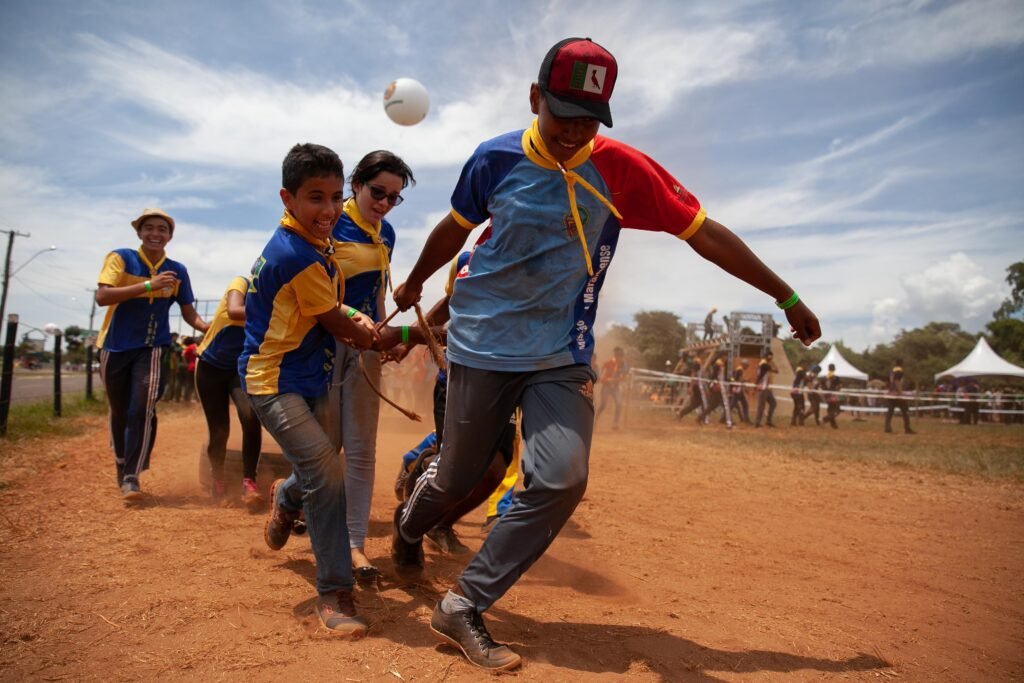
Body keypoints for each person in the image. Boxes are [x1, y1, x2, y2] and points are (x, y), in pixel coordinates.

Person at [387, 37, 821, 671]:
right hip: (480, 345)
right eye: (563, 113)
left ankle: (464, 604)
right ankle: (407, 526)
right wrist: (417, 281)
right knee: (457, 478)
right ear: (535, 98)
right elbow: (454, 227)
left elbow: (704, 234)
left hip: (560, 353)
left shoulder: (620, 169)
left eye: (589, 119)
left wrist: (786, 295)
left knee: (562, 477)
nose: (574, 131)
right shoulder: (495, 159)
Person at [241, 143, 378, 637]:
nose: (328, 210)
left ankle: (284, 497)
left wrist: (362, 322)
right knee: (327, 471)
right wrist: (393, 336)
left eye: (336, 197)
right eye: (315, 197)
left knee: (322, 460)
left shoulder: (313, 247)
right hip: (273, 384)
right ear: (288, 198)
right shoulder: (296, 254)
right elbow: (344, 325)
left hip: (305, 378)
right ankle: (335, 591)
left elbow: (337, 312)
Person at [329, 150, 416, 583]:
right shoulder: (329, 223)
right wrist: (349, 316)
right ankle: (286, 498)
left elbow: (379, 294)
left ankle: (354, 545)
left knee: (361, 450)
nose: (383, 203)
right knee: (326, 450)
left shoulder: (388, 234)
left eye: (393, 197)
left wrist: (386, 335)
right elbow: (313, 289)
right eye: (377, 192)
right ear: (356, 185)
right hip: (322, 345)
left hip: (365, 347)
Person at [95, 208, 209, 501]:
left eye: (162, 229)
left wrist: (210, 327)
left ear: (170, 236)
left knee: (142, 407)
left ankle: (132, 475)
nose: (155, 234)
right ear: (139, 233)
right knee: (119, 410)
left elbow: (189, 313)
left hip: (153, 347)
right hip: (115, 345)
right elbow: (103, 296)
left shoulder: (178, 271)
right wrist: (148, 285)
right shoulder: (121, 258)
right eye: (149, 228)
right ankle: (122, 465)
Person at [195, 276, 263, 507]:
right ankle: (218, 482)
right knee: (219, 430)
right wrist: (270, 307)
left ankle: (249, 483)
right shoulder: (241, 283)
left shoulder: (277, 299)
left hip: (240, 370)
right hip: (210, 367)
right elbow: (235, 311)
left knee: (251, 417)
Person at [595, 346, 629, 429]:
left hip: (615, 387)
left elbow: (624, 377)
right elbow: (601, 378)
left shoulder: (625, 366)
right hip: (606, 386)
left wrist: (619, 380)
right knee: (603, 404)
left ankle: (615, 424)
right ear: (615, 356)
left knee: (619, 403)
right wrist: (609, 379)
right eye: (617, 356)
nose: (619, 358)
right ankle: (595, 420)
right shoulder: (608, 364)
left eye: (621, 356)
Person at [884, 359, 915, 434]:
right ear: (902, 364)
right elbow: (897, 381)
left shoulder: (892, 371)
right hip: (897, 394)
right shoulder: (899, 371)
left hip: (891, 393)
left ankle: (887, 427)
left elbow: (889, 382)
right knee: (905, 411)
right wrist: (901, 393)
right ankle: (907, 428)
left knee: (890, 411)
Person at [754, 351, 779, 427]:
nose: (771, 358)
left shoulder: (763, 363)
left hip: (765, 387)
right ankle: (757, 422)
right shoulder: (764, 364)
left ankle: (768, 420)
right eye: (771, 356)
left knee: (773, 403)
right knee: (761, 405)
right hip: (762, 387)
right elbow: (776, 371)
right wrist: (772, 363)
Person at [823, 363, 841, 429]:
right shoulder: (836, 377)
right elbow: (839, 387)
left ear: (828, 369)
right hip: (833, 395)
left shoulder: (825, 377)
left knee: (830, 408)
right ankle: (826, 418)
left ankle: (833, 425)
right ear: (834, 369)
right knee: (837, 410)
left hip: (827, 395)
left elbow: (823, 386)